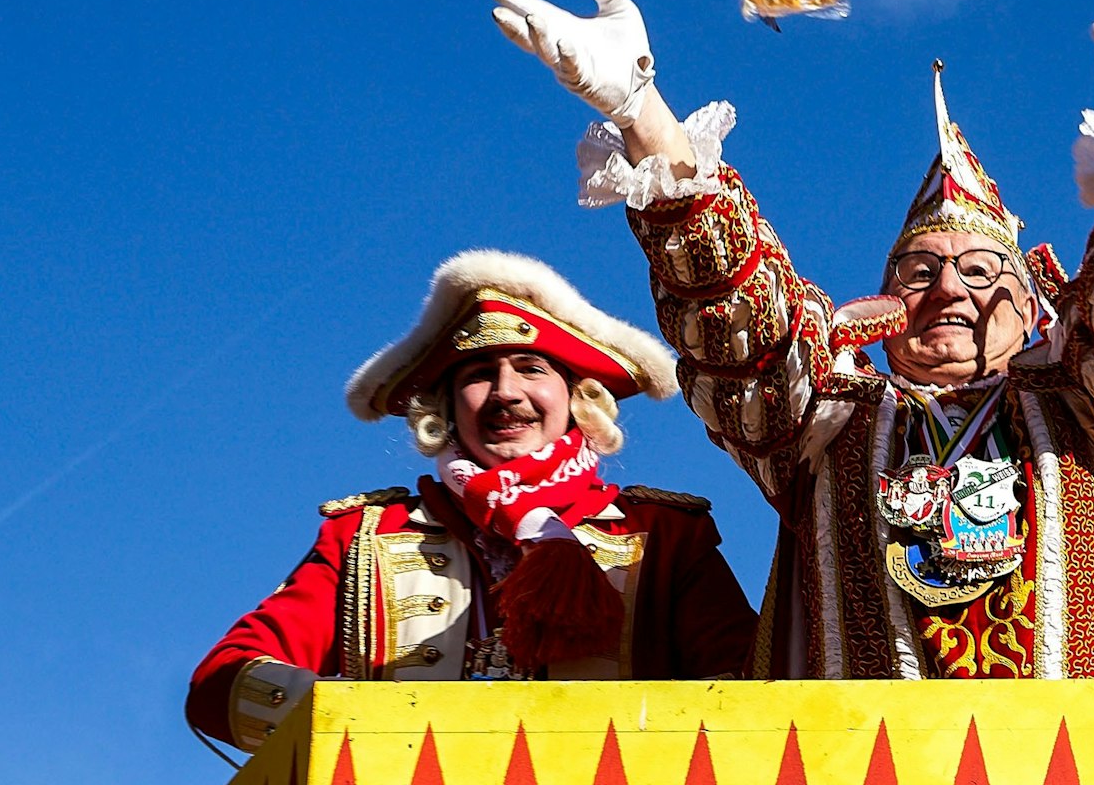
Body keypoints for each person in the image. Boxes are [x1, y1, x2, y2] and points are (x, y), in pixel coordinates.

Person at [488, 0, 1094, 678]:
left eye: (980, 271)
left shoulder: (1081, 407)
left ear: (1035, 308)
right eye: (919, 271)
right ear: (883, 307)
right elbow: (734, 312)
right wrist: (641, 110)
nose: (948, 287)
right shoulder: (825, 418)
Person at [186, 249, 756, 753]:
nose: (506, 393)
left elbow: (752, 696)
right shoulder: (366, 534)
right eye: (480, 375)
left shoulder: (662, 534)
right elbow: (222, 683)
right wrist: (359, 725)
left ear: (578, 398)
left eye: (531, 369)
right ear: (446, 407)